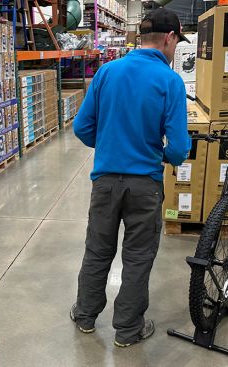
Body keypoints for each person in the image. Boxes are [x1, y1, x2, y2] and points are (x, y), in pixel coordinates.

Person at [70, 8, 192, 347]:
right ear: (169, 38)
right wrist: (160, 154)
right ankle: (127, 330)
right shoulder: (170, 81)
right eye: (176, 43)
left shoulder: (108, 71)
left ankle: (85, 316)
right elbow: (180, 148)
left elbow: (82, 127)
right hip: (145, 185)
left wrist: (110, 145)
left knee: (97, 250)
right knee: (137, 256)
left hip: (105, 181)